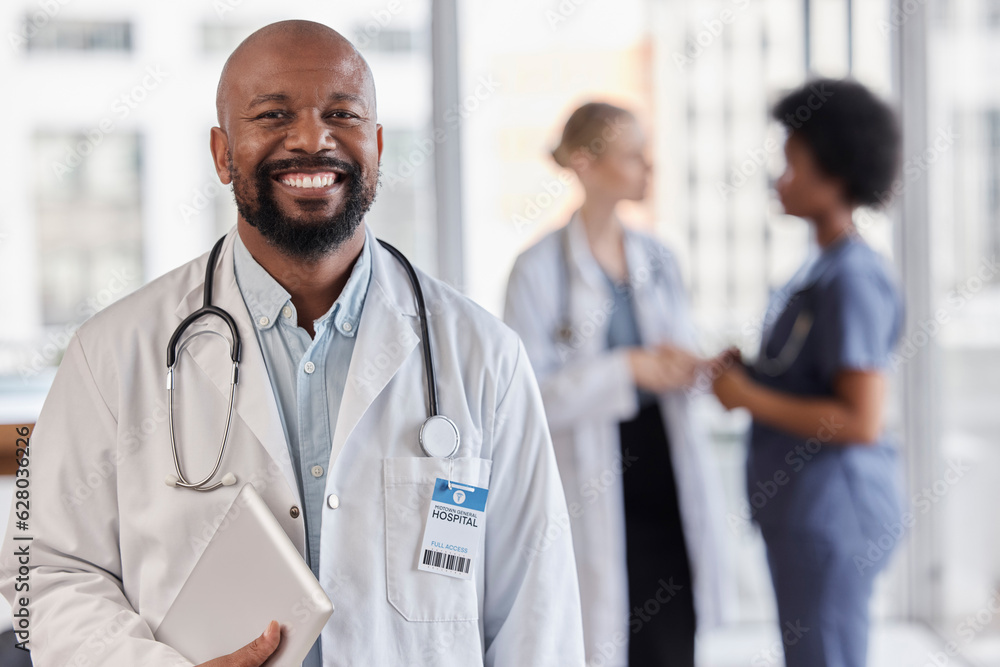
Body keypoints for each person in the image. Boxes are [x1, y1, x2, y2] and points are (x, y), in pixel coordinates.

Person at [0, 21, 585, 667]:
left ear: (379, 145)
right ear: (223, 154)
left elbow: (539, 610)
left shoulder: (482, 355)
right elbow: (40, 571)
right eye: (273, 114)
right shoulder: (111, 352)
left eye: (342, 113)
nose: (312, 138)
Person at [504, 102, 731, 667]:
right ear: (585, 163)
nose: (647, 169)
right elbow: (528, 399)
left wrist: (692, 367)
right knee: (604, 634)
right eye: (633, 156)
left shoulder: (658, 257)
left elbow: (668, 353)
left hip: (666, 473)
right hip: (595, 481)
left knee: (673, 636)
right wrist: (627, 368)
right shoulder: (536, 270)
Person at [711, 78, 904, 667]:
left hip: (833, 513)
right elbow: (806, 375)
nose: (780, 178)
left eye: (793, 164)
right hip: (803, 511)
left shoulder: (852, 279)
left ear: (837, 173)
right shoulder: (818, 269)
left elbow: (860, 419)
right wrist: (755, 375)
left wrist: (745, 396)